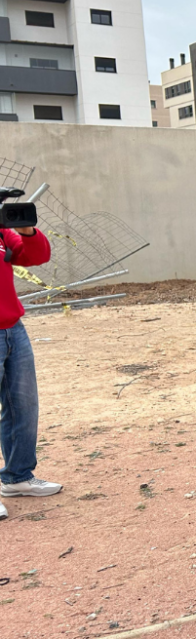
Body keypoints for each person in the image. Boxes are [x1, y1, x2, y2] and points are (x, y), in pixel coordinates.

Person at [0, 221, 60, 521]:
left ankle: (17, 476)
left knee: (23, 406)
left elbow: (35, 256)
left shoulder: (1, 232)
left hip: (12, 328)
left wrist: (26, 231)